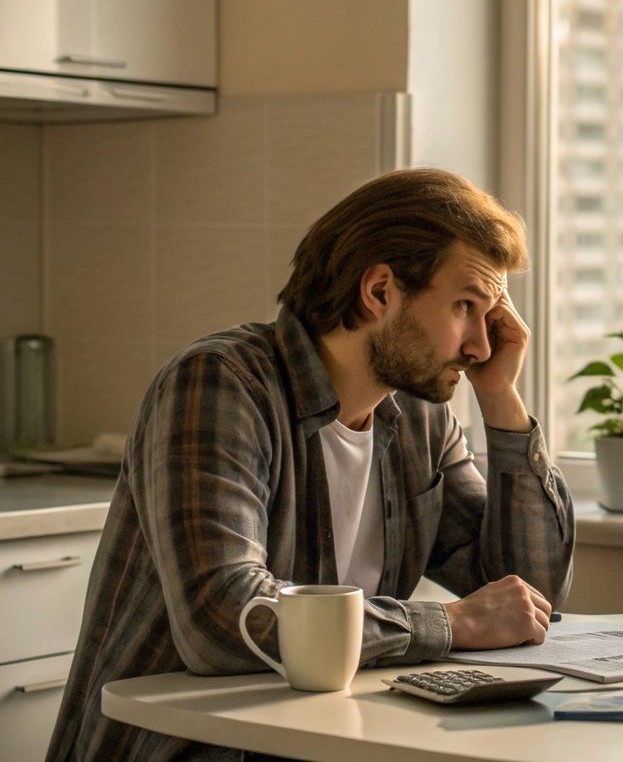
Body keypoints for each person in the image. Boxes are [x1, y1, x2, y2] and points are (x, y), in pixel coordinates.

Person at [48, 168, 575, 762]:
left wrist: (502, 400)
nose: (481, 344)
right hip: (185, 749)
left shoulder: (419, 421)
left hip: (327, 741)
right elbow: (223, 620)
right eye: (465, 306)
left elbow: (528, 597)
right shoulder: (222, 384)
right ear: (379, 291)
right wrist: (450, 623)